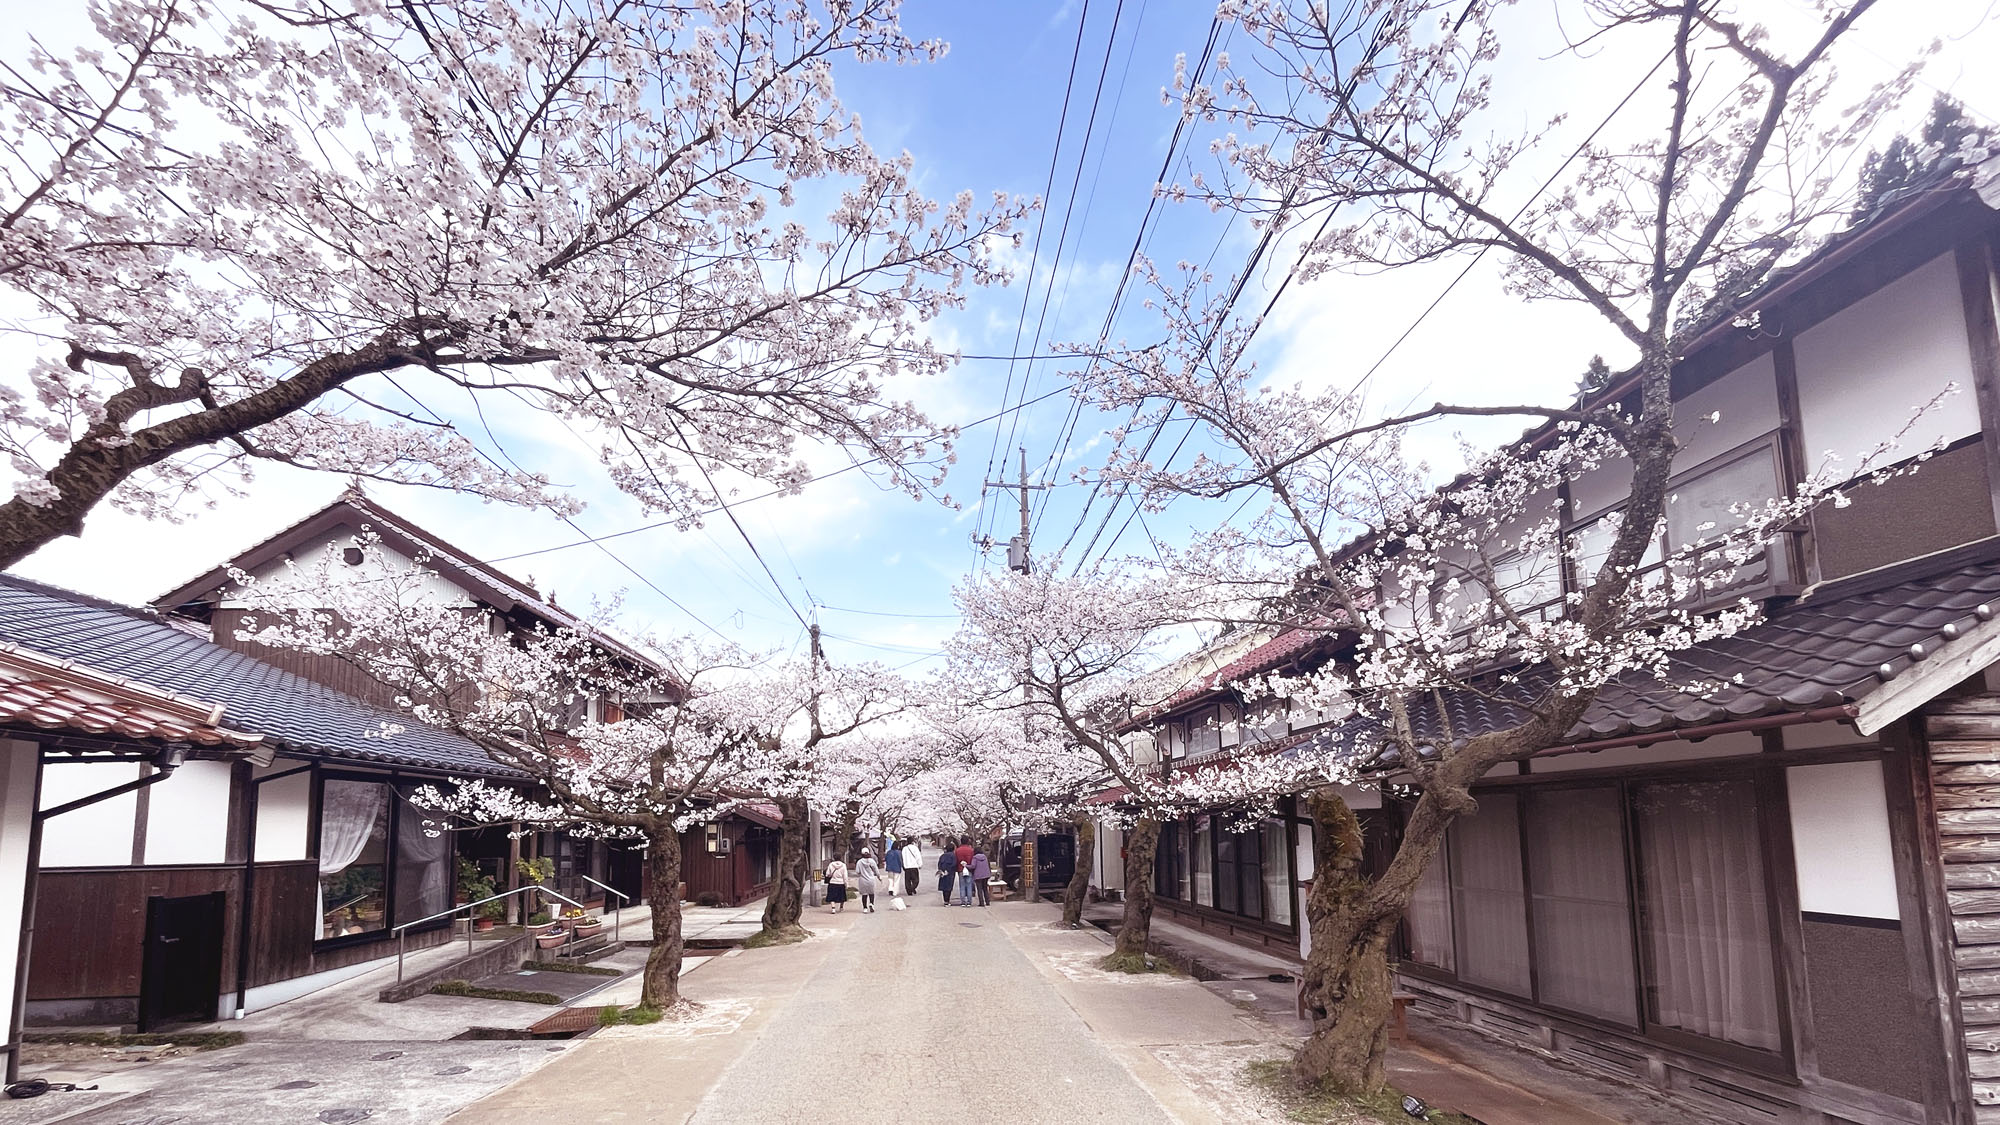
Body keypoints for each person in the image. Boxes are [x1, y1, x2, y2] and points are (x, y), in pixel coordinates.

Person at [854, 848, 883, 914]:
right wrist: (879, 877)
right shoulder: (872, 861)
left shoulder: (859, 862)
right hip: (871, 880)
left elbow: (857, 871)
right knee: (871, 893)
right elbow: (876, 870)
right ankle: (871, 904)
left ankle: (865, 908)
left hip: (863, 880)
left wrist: (862, 873)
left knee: (864, 894)